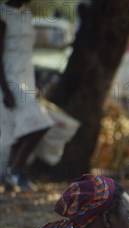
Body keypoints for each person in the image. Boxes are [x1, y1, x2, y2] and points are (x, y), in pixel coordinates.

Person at [1, 0, 53, 192]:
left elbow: (28, 53)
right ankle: (14, 171)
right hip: (9, 79)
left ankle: (11, 175)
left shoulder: (27, 14)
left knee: (20, 129)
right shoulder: (2, 15)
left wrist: (35, 84)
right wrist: (5, 88)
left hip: (26, 79)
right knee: (41, 123)